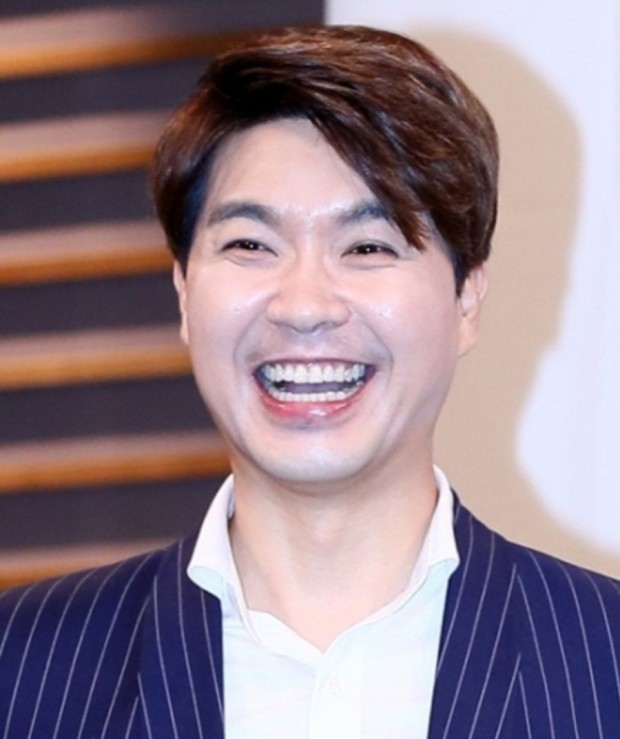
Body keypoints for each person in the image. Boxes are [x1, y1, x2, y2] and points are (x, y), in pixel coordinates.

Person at [1, 24, 619, 739]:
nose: (304, 306)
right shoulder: (25, 669)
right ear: (184, 293)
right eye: (250, 244)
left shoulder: (601, 658)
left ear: (466, 301)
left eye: (367, 247)